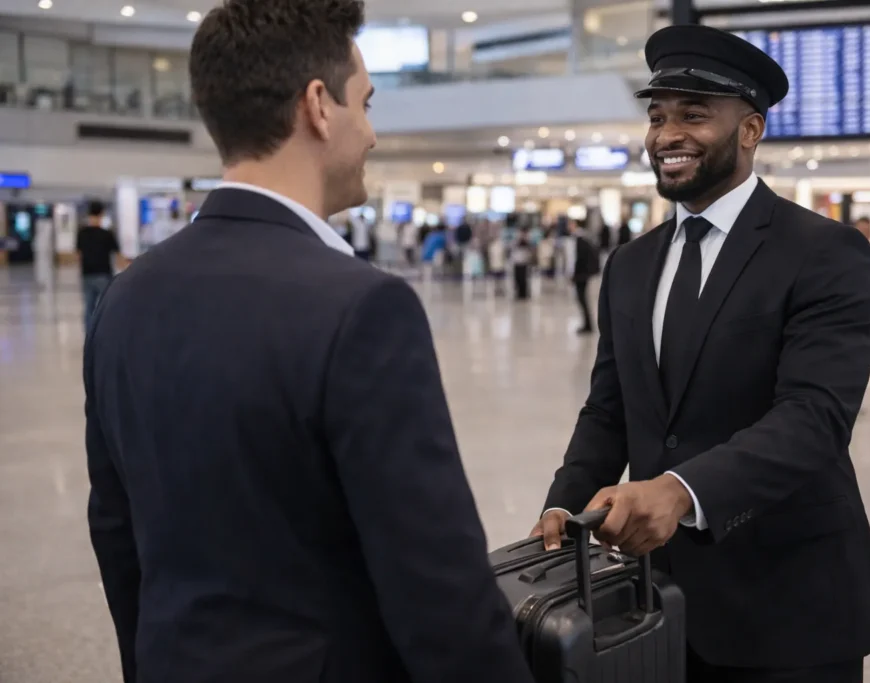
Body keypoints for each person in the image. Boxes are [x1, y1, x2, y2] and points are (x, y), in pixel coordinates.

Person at [83, 3, 533, 683]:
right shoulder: (361, 308)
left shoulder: (126, 297)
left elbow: (118, 536)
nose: (374, 136)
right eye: (367, 103)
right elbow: (438, 592)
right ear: (319, 106)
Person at [530, 25, 870, 683]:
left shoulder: (822, 251)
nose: (668, 134)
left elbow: (814, 417)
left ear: (750, 129)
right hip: (659, 602)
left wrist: (680, 490)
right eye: (658, 116)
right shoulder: (630, 265)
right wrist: (565, 502)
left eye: (694, 115)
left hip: (790, 605)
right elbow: (610, 408)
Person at [76, 200, 122, 331]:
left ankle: (89, 336)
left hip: (87, 274)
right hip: (103, 274)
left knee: (88, 307)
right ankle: (104, 333)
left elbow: (78, 255)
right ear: (102, 214)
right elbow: (117, 255)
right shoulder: (106, 234)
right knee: (105, 307)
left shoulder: (82, 233)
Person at [570, 220, 600, 334]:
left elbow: (579, 260)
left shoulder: (580, 240)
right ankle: (587, 324)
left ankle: (588, 325)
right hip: (584, 274)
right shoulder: (585, 238)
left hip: (581, 275)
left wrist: (575, 274)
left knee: (582, 299)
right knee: (582, 299)